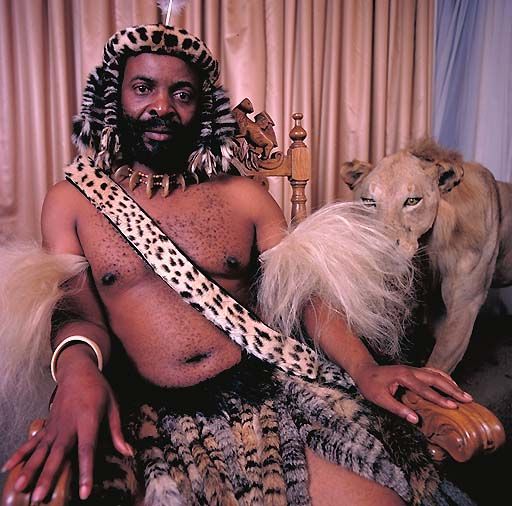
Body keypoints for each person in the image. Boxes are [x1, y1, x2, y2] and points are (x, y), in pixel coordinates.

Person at [1, 23, 475, 506]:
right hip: (146, 408)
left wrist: (365, 366)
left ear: (203, 108)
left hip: (262, 391)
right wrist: (78, 372)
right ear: (114, 97)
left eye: (181, 93)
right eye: (143, 88)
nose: (162, 106)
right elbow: (77, 313)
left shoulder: (245, 196)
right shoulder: (73, 201)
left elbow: (302, 295)